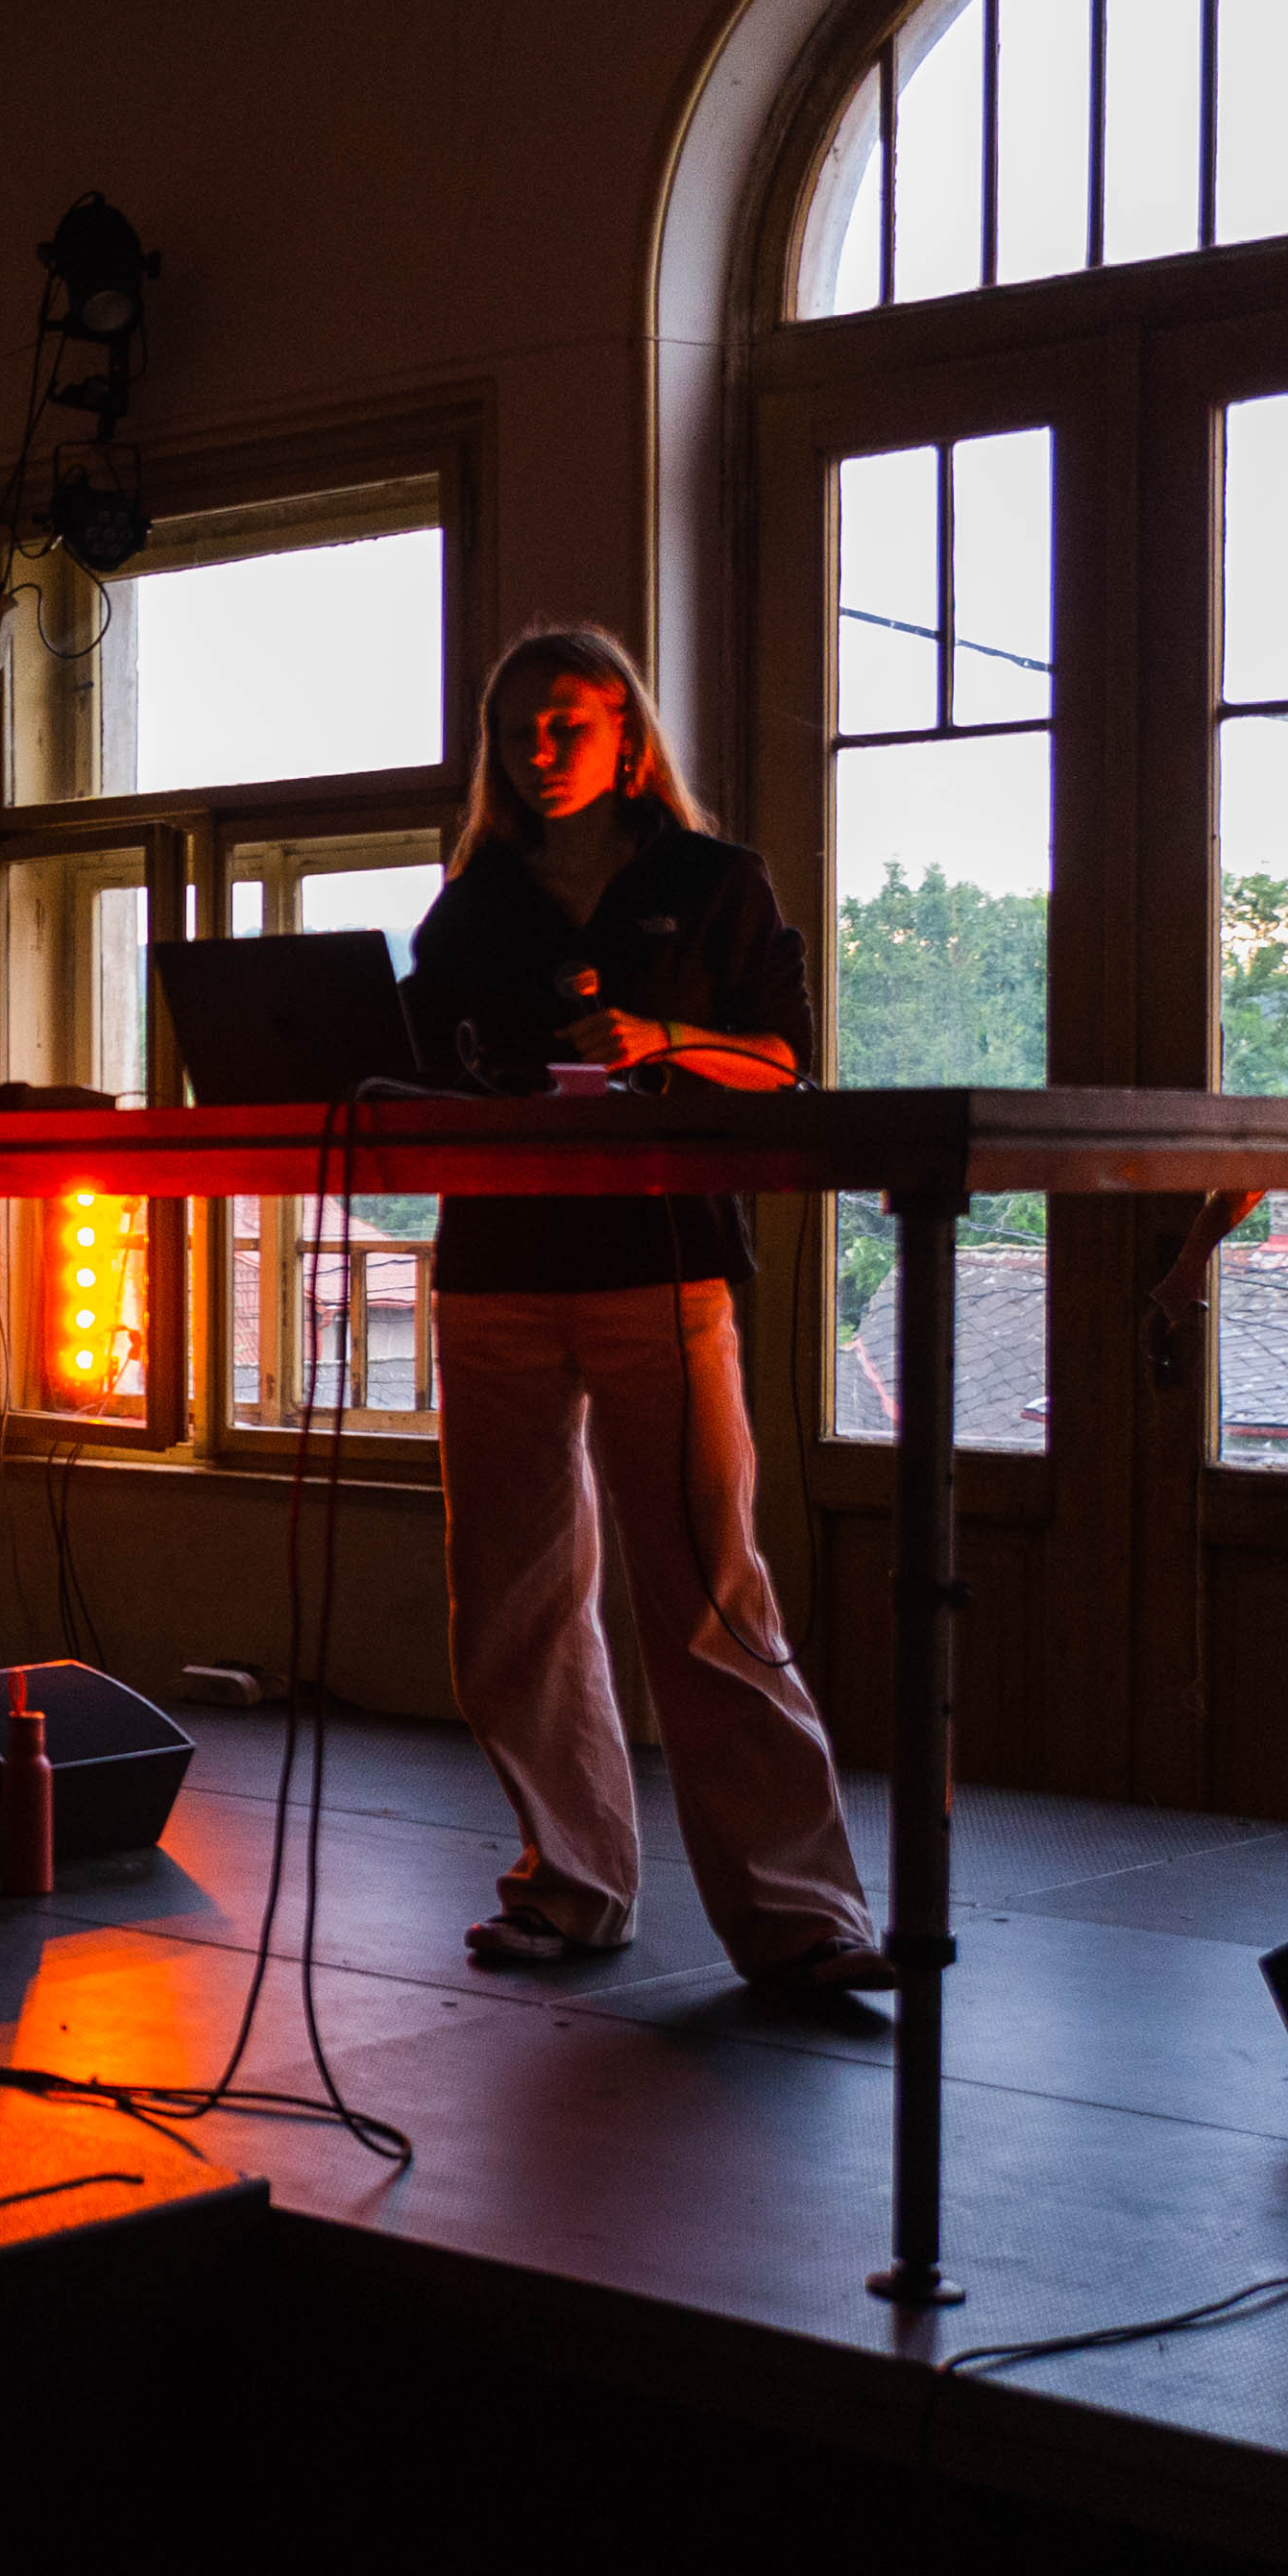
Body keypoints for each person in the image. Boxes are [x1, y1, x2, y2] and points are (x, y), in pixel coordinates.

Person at [397, 621, 892, 1998]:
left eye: (564, 723)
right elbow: (417, 1069)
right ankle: (569, 1886)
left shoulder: (712, 882)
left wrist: (665, 1039)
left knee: (707, 1596)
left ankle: (798, 1917)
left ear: (626, 730)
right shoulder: (472, 902)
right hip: (494, 1271)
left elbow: (786, 1065)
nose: (537, 750)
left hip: (660, 1263)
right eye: (515, 731)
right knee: (511, 1604)